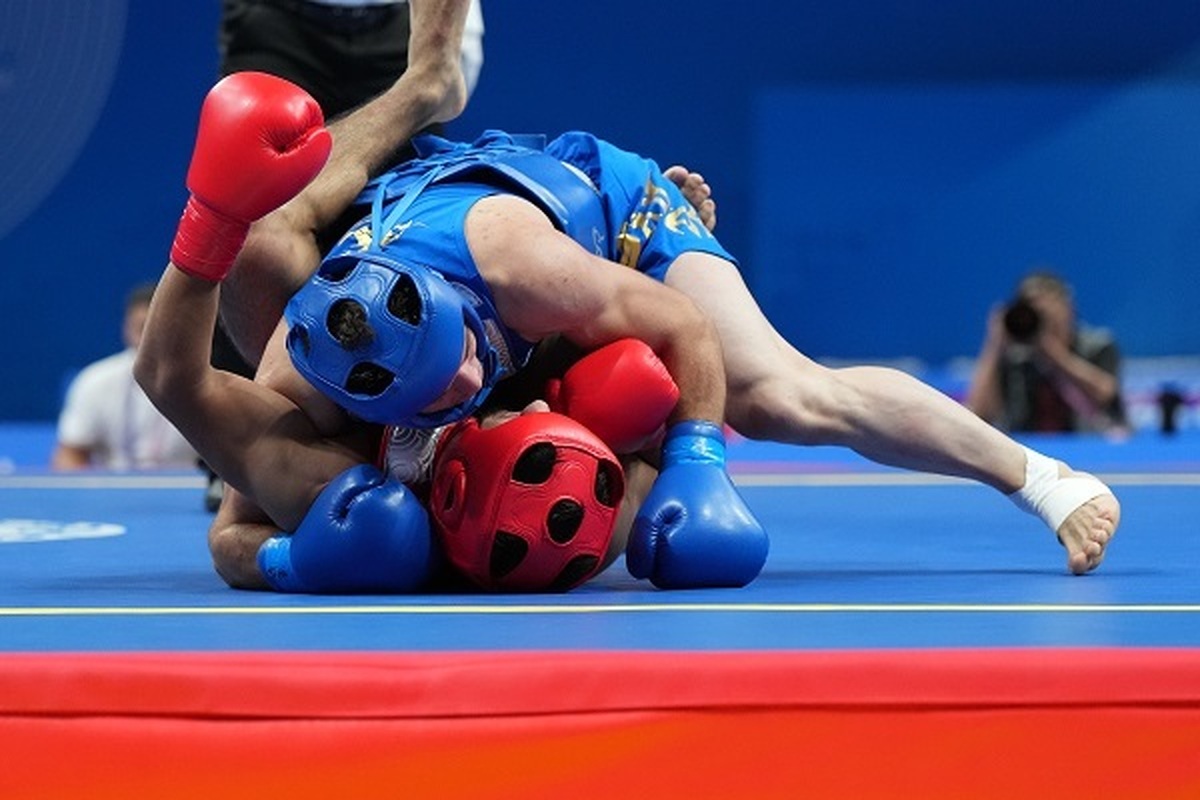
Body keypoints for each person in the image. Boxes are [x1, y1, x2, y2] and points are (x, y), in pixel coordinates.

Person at [136, 71, 735, 594]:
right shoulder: (308, 402)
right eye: (444, 389)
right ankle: (629, 254)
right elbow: (228, 537)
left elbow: (684, 322)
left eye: (463, 351)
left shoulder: (517, 273)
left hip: (472, 222)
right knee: (634, 393)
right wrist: (682, 469)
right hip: (545, 233)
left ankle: (424, 87)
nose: (472, 378)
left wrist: (291, 562)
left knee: (262, 241)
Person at [52, 283, 197, 471]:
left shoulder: (205, 383)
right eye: (141, 328)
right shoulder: (95, 381)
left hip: (187, 485)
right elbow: (70, 455)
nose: (150, 340)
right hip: (112, 487)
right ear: (126, 328)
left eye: (160, 330)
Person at [965, 270, 1127, 434]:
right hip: (1027, 446)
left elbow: (1107, 394)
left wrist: (1055, 354)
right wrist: (994, 345)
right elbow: (978, 413)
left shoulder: (1098, 346)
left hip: (1090, 445)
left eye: (1047, 309)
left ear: (1068, 308)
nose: (1043, 318)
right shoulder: (1014, 356)